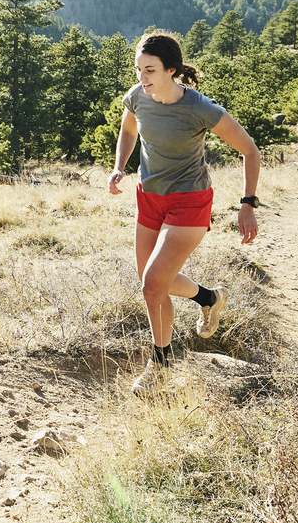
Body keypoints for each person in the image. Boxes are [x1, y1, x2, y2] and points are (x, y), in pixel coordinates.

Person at [109, 31, 260, 394]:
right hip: (150, 197)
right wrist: (120, 166)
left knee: (152, 285)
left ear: (170, 70)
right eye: (138, 69)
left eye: (150, 70)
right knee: (153, 282)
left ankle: (159, 367)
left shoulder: (199, 108)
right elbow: (128, 130)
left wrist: (248, 203)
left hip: (189, 201)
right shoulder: (137, 97)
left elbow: (250, 151)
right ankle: (210, 298)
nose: (141, 77)